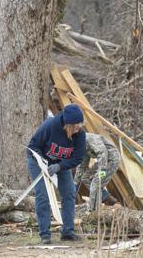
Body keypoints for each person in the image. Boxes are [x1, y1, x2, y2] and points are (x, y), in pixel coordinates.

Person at [26, 104, 86, 244]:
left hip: (61, 164)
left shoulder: (80, 135)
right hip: (38, 161)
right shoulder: (51, 125)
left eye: (80, 123)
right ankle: (45, 235)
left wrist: (59, 166)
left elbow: (78, 158)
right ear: (68, 124)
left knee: (69, 193)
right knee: (43, 195)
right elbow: (33, 146)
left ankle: (68, 233)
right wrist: (43, 163)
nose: (79, 126)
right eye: (76, 124)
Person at [74, 133, 121, 210]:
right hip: (102, 162)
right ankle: (106, 197)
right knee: (85, 177)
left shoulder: (90, 139)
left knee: (95, 183)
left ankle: (94, 209)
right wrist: (75, 183)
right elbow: (82, 166)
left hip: (112, 160)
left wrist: (102, 170)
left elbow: (102, 153)